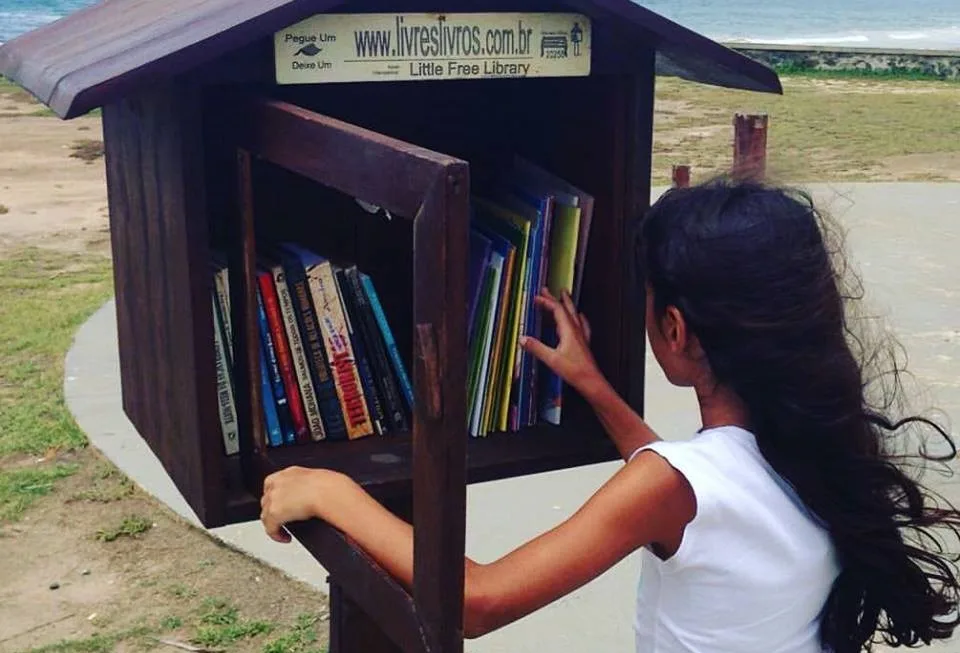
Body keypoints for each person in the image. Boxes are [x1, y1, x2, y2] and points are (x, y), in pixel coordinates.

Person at [259, 179, 960, 652]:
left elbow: (479, 600)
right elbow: (701, 494)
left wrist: (332, 491)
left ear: (676, 329)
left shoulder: (674, 485)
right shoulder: (819, 443)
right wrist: (596, 387)